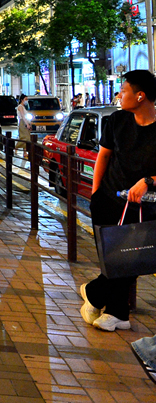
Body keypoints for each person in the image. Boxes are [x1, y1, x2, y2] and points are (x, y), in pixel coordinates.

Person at [80, 70, 156, 332]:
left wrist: (148, 180)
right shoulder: (117, 120)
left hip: (145, 206)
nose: (119, 96)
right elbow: (103, 156)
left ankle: (94, 292)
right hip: (109, 200)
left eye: (123, 91)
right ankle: (118, 314)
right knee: (114, 257)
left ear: (140, 95)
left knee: (133, 257)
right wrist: (95, 193)